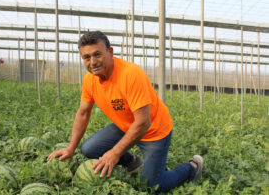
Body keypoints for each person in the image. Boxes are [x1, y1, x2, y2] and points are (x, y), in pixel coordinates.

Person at [47, 31, 203, 193]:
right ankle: (132, 161)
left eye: (97, 54)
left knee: (150, 187)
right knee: (89, 149)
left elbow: (143, 123)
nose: (92, 62)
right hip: (126, 127)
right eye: (86, 57)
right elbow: (83, 113)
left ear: (110, 52)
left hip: (154, 131)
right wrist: (71, 147)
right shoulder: (89, 80)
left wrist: (115, 153)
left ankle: (192, 167)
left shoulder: (131, 74)